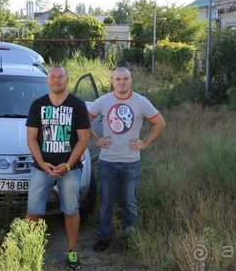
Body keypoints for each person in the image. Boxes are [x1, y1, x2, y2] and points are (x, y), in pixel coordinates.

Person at [88, 67, 166, 253]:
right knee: (107, 202)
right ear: (112, 81)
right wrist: (96, 140)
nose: (122, 82)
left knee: (129, 202)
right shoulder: (104, 101)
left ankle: (128, 237)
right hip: (108, 160)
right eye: (118, 79)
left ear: (131, 80)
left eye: (125, 79)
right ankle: (104, 237)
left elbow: (160, 123)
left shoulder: (141, 102)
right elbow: (82, 120)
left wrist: (145, 143)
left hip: (131, 161)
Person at [25, 66, 90, 270]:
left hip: (70, 169)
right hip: (41, 168)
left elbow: (83, 140)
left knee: (71, 210)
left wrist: (69, 164)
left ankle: (72, 251)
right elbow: (31, 138)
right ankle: (29, 251)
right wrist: (42, 163)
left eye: (60, 76)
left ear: (66, 80)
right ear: (47, 81)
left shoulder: (78, 105)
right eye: (52, 76)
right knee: (33, 211)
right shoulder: (37, 105)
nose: (56, 80)